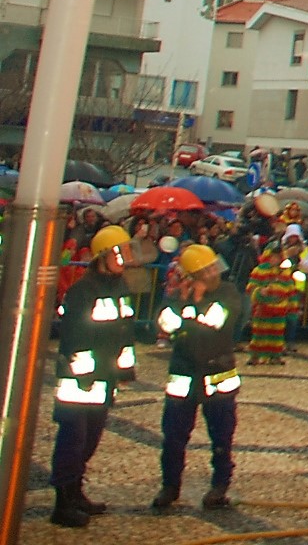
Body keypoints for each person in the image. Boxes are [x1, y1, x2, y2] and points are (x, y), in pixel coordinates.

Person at [48, 224, 139, 528]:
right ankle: (62, 502)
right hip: (80, 382)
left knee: (89, 441)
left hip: (104, 377)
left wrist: (124, 368)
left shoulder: (120, 287)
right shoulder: (83, 290)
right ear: (105, 255)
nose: (125, 258)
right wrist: (83, 374)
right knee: (73, 441)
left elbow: (124, 333)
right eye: (121, 252)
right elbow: (73, 337)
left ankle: (76, 492)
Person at [152, 244, 246, 514]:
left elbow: (214, 327)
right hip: (184, 377)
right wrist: (185, 306)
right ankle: (170, 486)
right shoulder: (175, 297)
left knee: (221, 438)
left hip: (218, 376)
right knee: (173, 437)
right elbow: (161, 324)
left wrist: (186, 319)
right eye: (207, 270)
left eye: (214, 267)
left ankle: (219, 486)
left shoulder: (228, 294)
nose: (214, 273)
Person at [243, 230, 304, 366]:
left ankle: (275, 355)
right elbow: (251, 288)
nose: (275, 259)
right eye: (273, 256)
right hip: (262, 309)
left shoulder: (285, 273)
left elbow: (291, 291)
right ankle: (255, 355)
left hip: (279, 310)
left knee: (276, 334)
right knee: (259, 333)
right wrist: (259, 292)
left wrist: (292, 309)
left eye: (278, 257)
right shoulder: (259, 271)